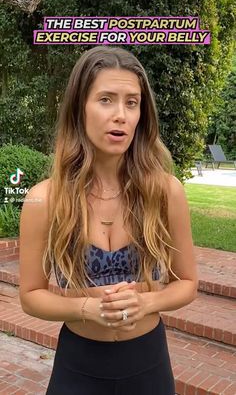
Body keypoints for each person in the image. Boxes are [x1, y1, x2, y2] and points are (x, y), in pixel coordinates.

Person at [19, 45, 198, 395]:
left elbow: (187, 282)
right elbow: (30, 295)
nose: (121, 115)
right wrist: (86, 307)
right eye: (106, 99)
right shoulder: (46, 199)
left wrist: (147, 301)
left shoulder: (165, 192)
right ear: (79, 108)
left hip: (149, 364)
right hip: (79, 365)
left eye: (132, 103)